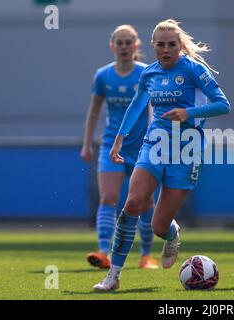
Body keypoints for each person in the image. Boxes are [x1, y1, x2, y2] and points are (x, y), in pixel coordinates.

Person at [92, 19, 230, 291]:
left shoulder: (193, 70)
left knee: (158, 226)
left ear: (180, 46)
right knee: (132, 203)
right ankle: (113, 276)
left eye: (172, 45)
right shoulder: (149, 74)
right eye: (161, 45)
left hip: (186, 150)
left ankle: (172, 233)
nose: (166, 50)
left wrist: (187, 113)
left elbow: (222, 105)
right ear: (153, 46)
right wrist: (119, 139)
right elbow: (136, 105)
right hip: (154, 144)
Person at [81, 25, 158, 270]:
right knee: (108, 197)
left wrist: (155, 137)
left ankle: (146, 255)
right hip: (110, 146)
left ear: (136, 46)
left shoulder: (146, 73)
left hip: (142, 148)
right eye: (120, 42)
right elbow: (94, 112)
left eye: (128, 42)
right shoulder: (103, 76)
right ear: (112, 46)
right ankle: (104, 252)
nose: (124, 47)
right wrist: (86, 144)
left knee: (145, 202)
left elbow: (153, 109)